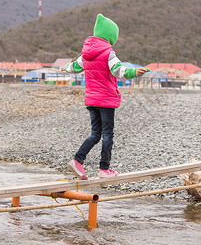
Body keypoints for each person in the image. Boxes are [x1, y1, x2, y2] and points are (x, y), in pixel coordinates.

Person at [62, 13, 148, 179]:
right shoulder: (108, 53)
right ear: (110, 36)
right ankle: (104, 169)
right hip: (106, 100)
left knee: (95, 133)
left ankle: (77, 161)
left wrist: (64, 68)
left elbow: (74, 67)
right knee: (108, 134)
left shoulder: (86, 53)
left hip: (92, 100)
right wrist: (134, 72)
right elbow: (119, 70)